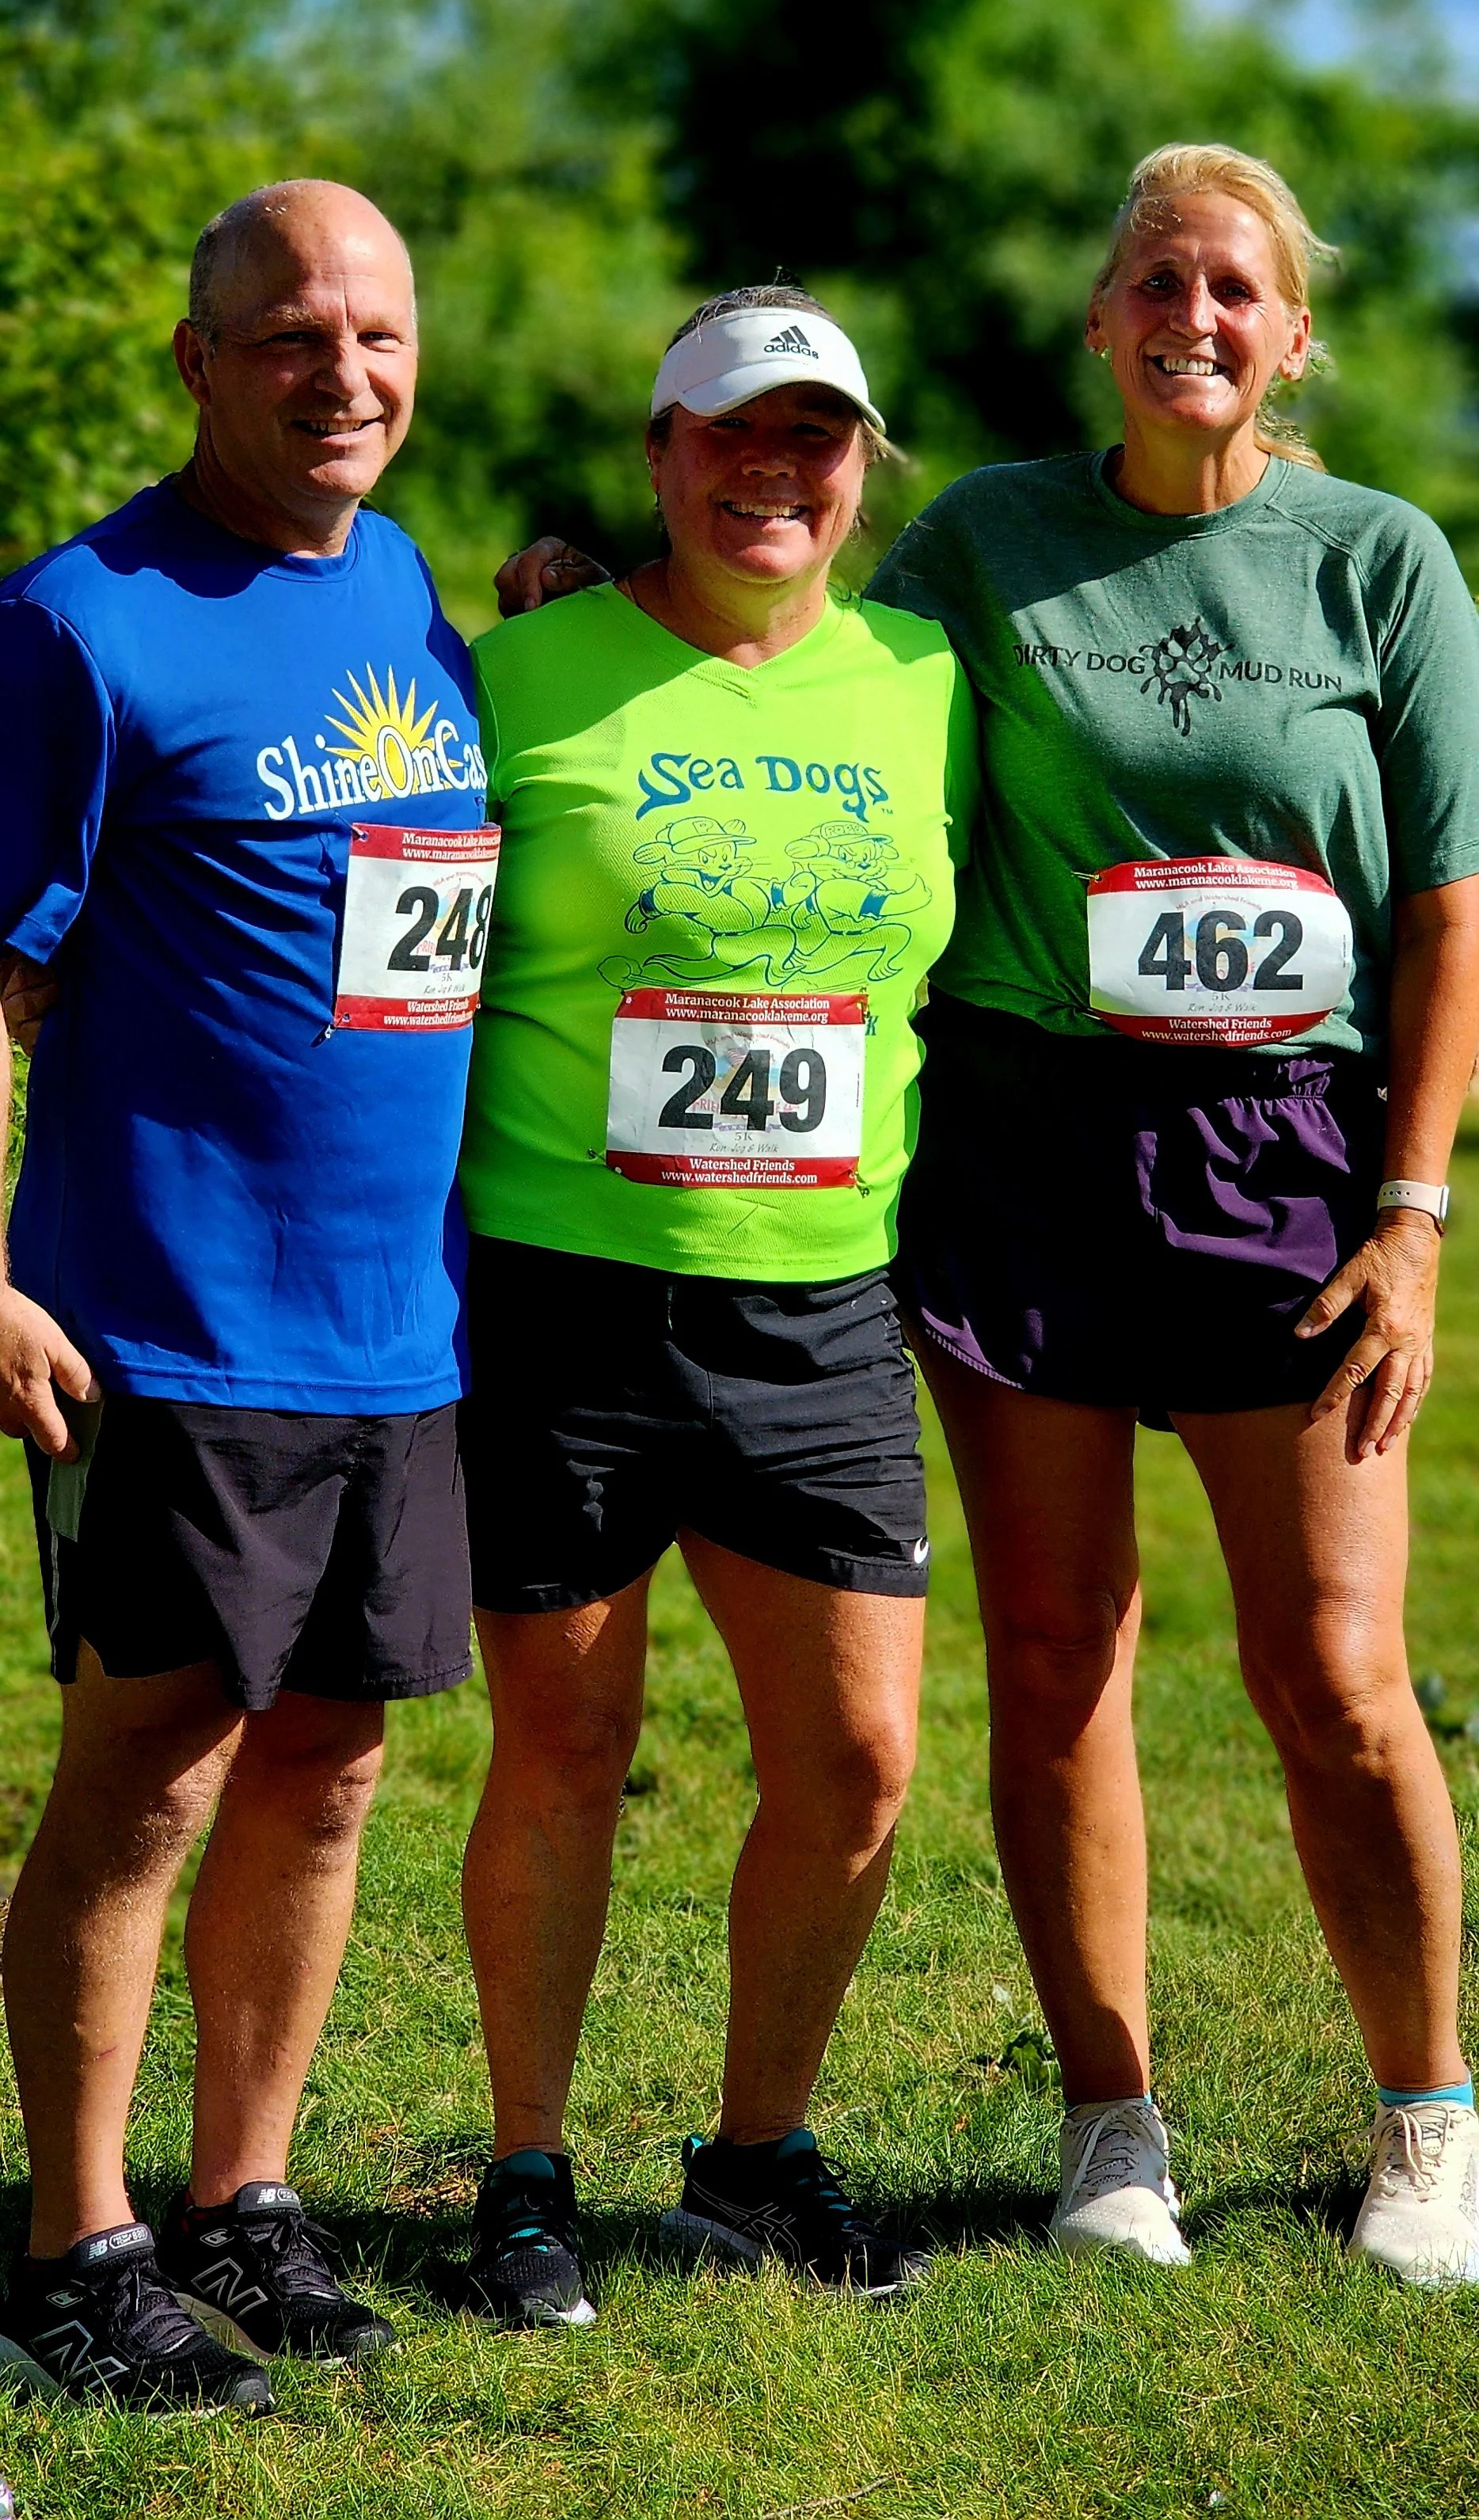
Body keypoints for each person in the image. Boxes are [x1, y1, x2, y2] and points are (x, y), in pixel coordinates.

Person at [868, 143, 1479, 2283]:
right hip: (1029, 1145)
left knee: (1334, 1670)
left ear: (1287, 334)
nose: (1190, 320)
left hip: (1294, 1162)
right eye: (1154, 283)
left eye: (1232, 290)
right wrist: (614, 596)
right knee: (1052, 1658)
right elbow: (818, 698)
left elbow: (1442, 912)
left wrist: (1410, 1208)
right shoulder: (983, 544)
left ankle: (1428, 2122)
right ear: (1099, 322)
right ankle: (1109, 2126)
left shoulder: (1380, 564)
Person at [0, 181, 492, 2410]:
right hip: (163, 1318)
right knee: (154, 1781)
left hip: (396, 1329)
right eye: (294, 336)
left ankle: (247, 2197)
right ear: (199, 361)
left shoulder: (405, 590)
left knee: (329, 1765)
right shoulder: (84, 626)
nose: (346, 375)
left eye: (379, 336)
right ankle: (77, 2239)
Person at [456, 287, 979, 2325]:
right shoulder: (521, 672)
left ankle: (755, 2152)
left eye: (818, 434)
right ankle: (523, 2167)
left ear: (863, 465)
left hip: (823, 1301)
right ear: (661, 450)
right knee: (562, 1745)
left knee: (855, 1759)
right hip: (569, 1286)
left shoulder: (932, 676)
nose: (775, 466)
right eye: (730, 431)